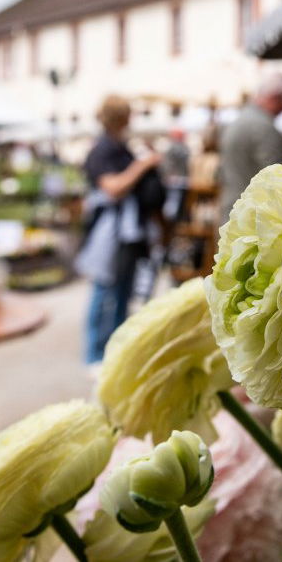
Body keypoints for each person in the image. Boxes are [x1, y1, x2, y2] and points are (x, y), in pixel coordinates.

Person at [74, 95, 164, 364]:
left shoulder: (119, 147)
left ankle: (113, 350)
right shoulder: (103, 149)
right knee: (104, 291)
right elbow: (113, 188)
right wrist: (143, 165)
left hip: (128, 232)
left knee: (123, 291)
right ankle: (93, 354)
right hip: (111, 232)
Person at [218, 73, 282, 220]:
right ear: (275, 97)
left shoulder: (238, 121)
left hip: (233, 211)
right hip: (255, 219)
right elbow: (279, 180)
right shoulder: (264, 129)